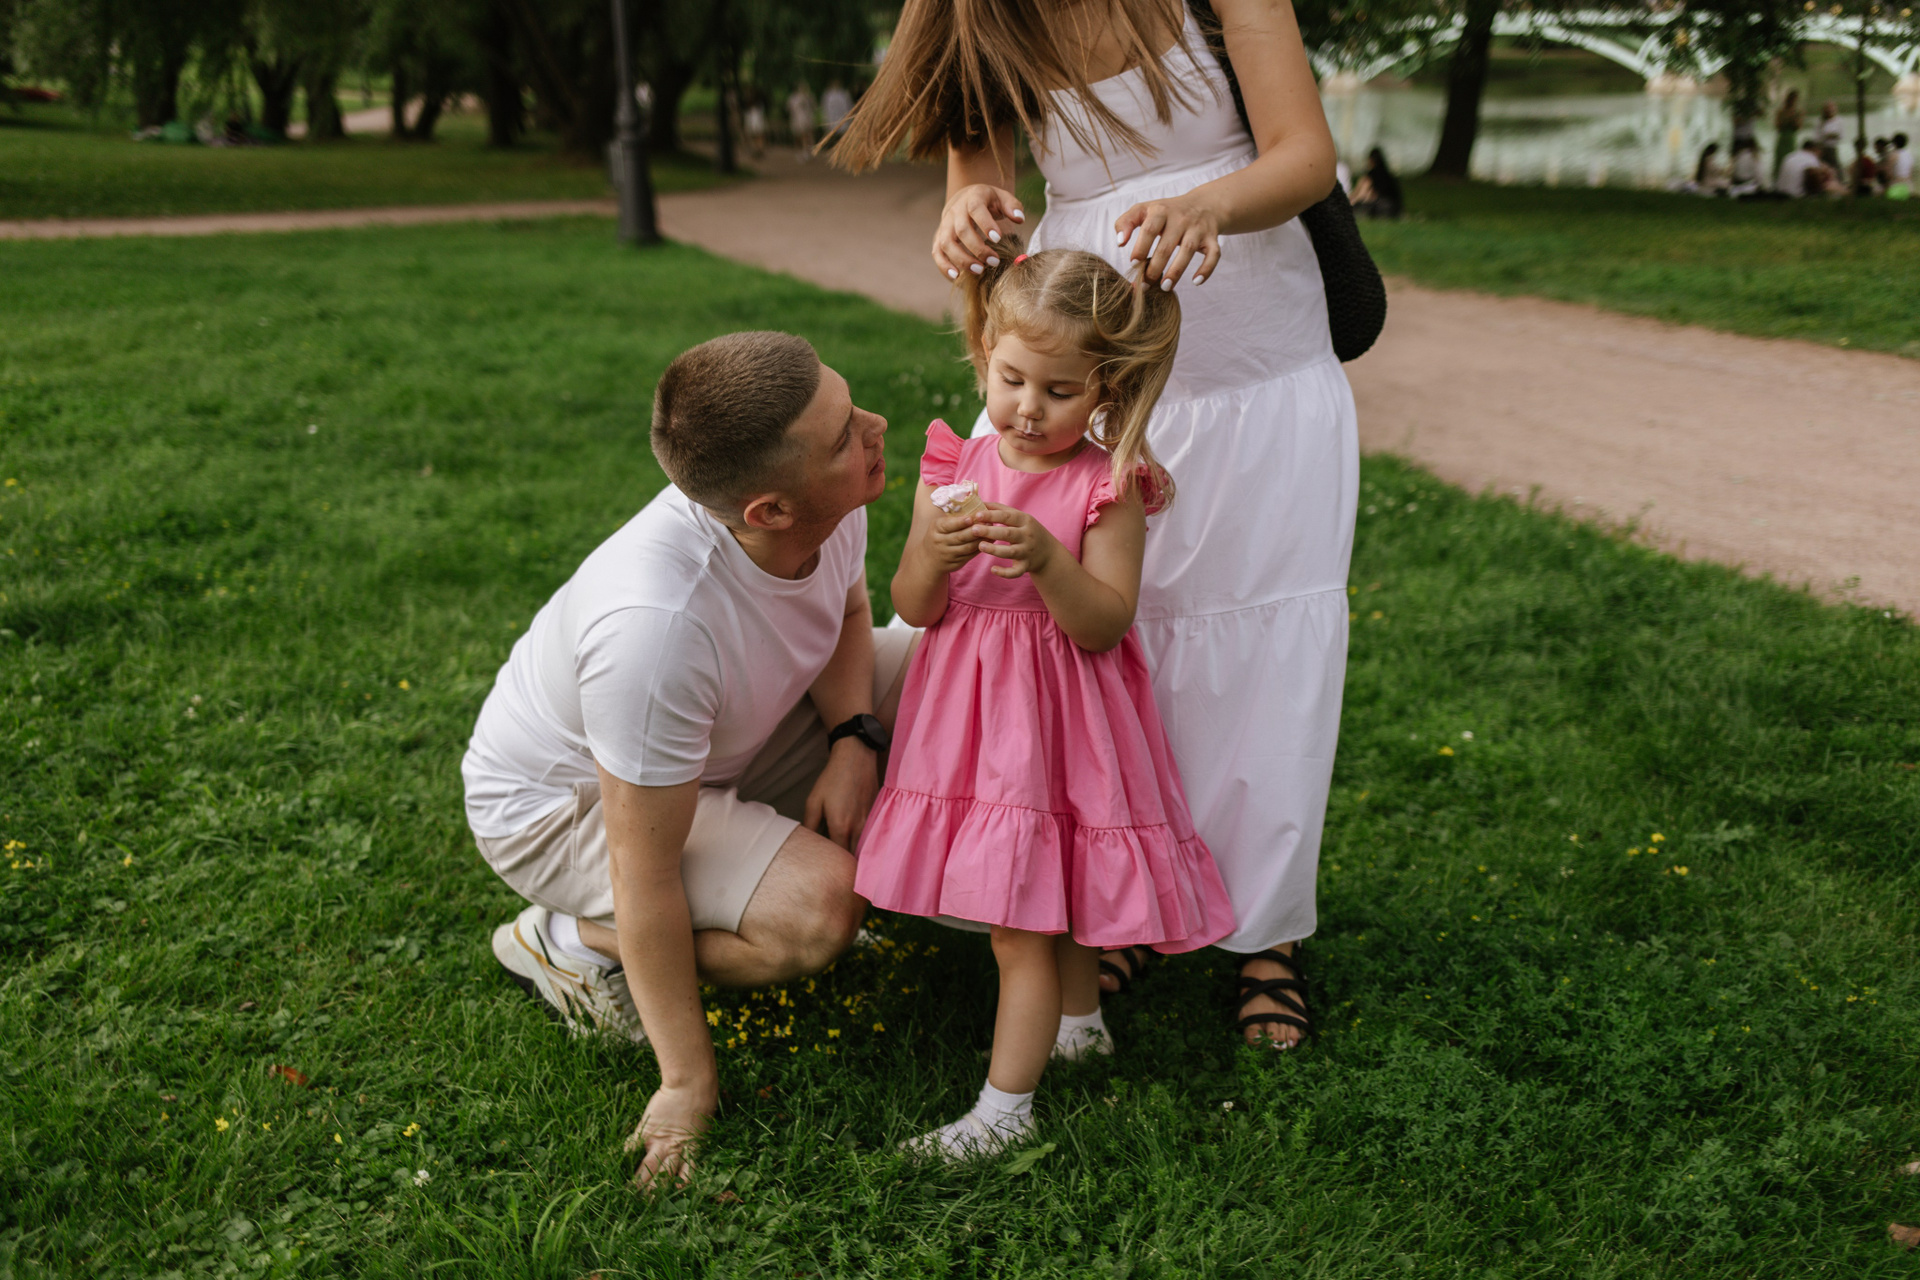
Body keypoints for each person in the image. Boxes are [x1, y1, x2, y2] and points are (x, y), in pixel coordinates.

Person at [834, 0, 1355, 1051]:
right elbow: (978, 177)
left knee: (1261, 643)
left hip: (1252, 350)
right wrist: (966, 211)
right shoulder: (982, 13)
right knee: (1090, 643)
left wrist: (1206, 205)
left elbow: (1305, 158)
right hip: (1083, 359)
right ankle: (1126, 899)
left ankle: (1268, 935)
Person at [462, 332, 907, 1188]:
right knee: (820, 915)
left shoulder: (828, 502)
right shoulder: (654, 630)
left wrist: (854, 739)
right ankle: (565, 941)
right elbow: (646, 870)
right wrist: (686, 1086)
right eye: (845, 434)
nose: (877, 426)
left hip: (718, 745)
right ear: (768, 511)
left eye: (852, 406)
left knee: (954, 677)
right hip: (565, 809)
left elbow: (847, 616)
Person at [857, 244, 1236, 1159]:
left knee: (1025, 916)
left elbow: (1104, 622)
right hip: (970, 719)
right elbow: (914, 606)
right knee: (1037, 893)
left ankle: (1004, 1111)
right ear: (984, 353)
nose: (1028, 407)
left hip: (1062, 717)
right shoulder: (954, 463)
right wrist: (934, 555)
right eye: (1012, 379)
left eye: (1059, 391)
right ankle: (1078, 1025)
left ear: (1105, 388)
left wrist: (1046, 560)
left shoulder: (1108, 486)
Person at [1350, 145, 1403, 218]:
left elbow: (1362, 195)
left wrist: (1352, 200)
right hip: (1395, 208)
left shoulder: (1370, 175)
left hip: (1381, 207)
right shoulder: (1388, 175)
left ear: (1371, 160)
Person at [1772, 89, 1803, 180]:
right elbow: (1778, 126)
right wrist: (1786, 118)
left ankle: (1790, 178)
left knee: (1791, 159)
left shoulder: (1798, 112)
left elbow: (1798, 127)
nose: (1793, 101)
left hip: (1791, 138)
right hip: (1782, 137)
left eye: (1795, 100)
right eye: (1792, 99)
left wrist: (1793, 118)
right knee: (1780, 160)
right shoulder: (1781, 111)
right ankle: (1777, 179)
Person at [786, 83, 817, 160]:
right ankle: (801, 151)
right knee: (799, 137)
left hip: (807, 119)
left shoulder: (809, 97)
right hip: (798, 120)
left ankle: (808, 151)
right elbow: (789, 108)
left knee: (807, 135)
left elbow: (814, 107)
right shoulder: (794, 98)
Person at [1816, 100, 1845, 175]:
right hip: (1822, 148)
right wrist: (1828, 136)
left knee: (1835, 166)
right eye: (1827, 109)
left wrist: (1829, 136)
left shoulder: (1839, 120)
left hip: (1832, 147)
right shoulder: (1820, 121)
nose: (1829, 111)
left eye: (1831, 109)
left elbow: (1840, 135)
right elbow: (1818, 137)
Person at [1889, 132, 1915, 201]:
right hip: (1908, 186)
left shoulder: (1894, 155)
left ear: (1895, 143)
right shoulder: (1909, 155)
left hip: (1896, 185)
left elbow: (1889, 172)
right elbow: (1911, 172)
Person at [742, 92, 767, 160]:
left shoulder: (755, 108)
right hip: (756, 124)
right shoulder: (756, 108)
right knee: (757, 138)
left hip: (756, 123)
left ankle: (759, 150)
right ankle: (758, 150)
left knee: (757, 137)